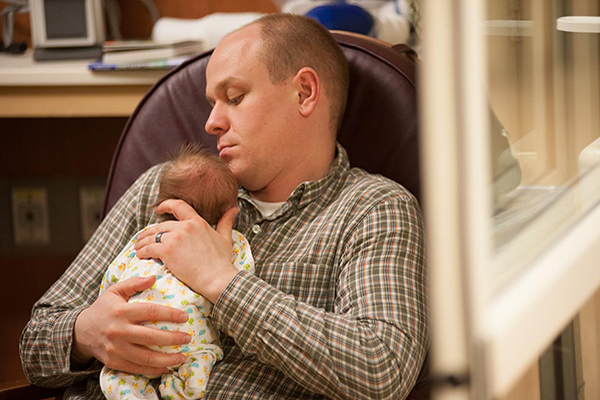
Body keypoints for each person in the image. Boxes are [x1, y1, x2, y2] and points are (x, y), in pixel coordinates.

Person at [21, 13, 428, 400]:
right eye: (212, 103)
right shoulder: (167, 186)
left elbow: (382, 369)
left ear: (304, 92)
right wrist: (86, 334)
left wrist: (221, 280)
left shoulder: (373, 208)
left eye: (234, 97)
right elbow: (35, 342)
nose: (211, 123)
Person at [98, 144, 254, 400]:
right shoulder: (233, 244)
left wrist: (105, 305)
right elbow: (242, 281)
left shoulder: (145, 237)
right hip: (189, 343)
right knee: (200, 363)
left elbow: (113, 278)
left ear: (164, 207)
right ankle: (180, 390)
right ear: (228, 213)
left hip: (132, 340)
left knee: (116, 378)